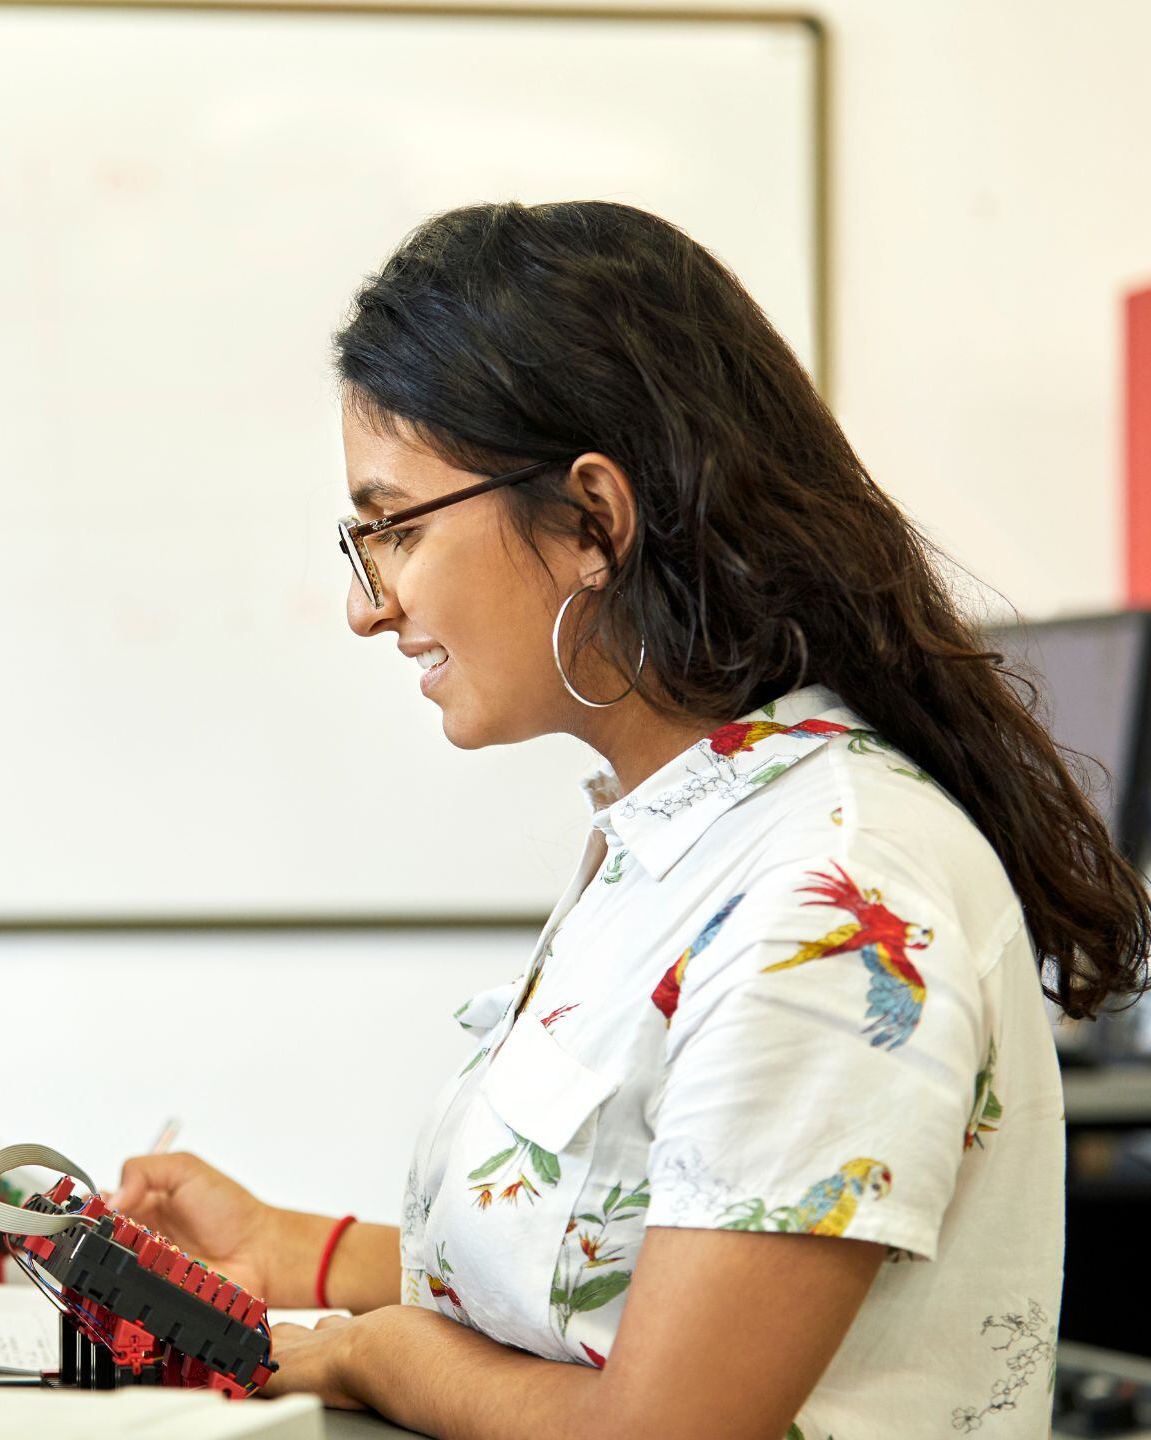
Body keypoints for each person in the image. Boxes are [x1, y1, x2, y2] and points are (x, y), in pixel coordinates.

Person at [109, 200, 1149, 1440]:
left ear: (595, 520)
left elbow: (665, 1428)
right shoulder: (693, 836)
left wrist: (366, 1357)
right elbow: (611, 1269)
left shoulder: (828, 896)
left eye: (395, 528)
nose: (366, 604)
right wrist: (296, 1249)